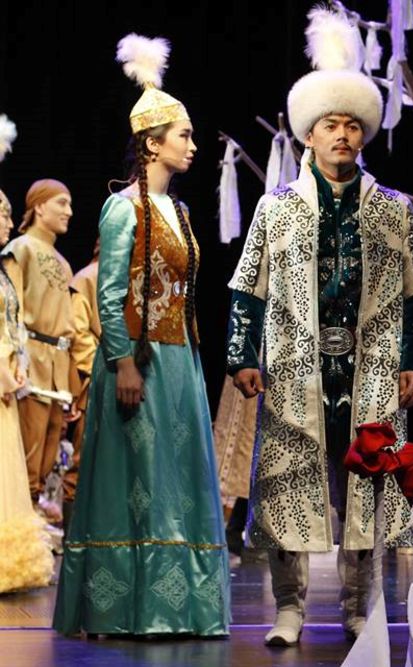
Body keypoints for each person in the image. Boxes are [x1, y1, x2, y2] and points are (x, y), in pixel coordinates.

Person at [226, 8, 413, 646]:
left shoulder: (394, 210)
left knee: (368, 487)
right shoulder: (276, 208)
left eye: (351, 125)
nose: (341, 135)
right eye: (330, 125)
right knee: (287, 483)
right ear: (309, 136)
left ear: (363, 135)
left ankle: (356, 606)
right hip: (295, 368)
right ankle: (289, 607)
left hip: (371, 369)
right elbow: (247, 288)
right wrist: (242, 356)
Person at [53, 34, 229, 636]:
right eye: (184, 135)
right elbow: (108, 293)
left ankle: (182, 609)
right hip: (140, 362)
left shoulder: (178, 211)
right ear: (152, 144)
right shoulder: (122, 207)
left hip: (180, 362)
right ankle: (130, 609)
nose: (193, 146)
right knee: (140, 481)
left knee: (178, 481)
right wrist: (124, 361)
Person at [1, 178, 78, 518]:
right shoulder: (20, 250)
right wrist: (16, 362)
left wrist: (72, 382)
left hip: (58, 367)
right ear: (39, 206)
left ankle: (35, 518)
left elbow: (69, 325)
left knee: (49, 454)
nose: (69, 211)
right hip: (30, 360)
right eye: (61, 202)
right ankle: (23, 525)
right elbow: (10, 310)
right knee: (29, 453)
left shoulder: (63, 263)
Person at [0, 185, 55, 593]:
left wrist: (17, 366)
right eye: (1, 214)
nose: (7, 222)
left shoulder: (3, 272)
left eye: (7, 214)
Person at [63, 239, 100, 532]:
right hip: (99, 381)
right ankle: (72, 537)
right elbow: (78, 332)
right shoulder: (88, 278)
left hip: (131, 383)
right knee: (82, 460)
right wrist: (101, 368)